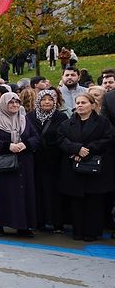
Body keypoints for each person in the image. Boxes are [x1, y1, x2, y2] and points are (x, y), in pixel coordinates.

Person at [57, 93, 113, 242]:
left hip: (95, 169)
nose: (80, 105)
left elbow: (108, 139)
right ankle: (78, 231)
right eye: (78, 102)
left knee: (94, 202)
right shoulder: (67, 123)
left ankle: (92, 232)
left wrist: (87, 151)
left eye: (84, 102)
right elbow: (61, 140)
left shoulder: (103, 122)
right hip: (74, 169)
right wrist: (76, 149)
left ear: (93, 105)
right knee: (76, 202)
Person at [0, 93, 39, 237]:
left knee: (23, 194)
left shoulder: (24, 119)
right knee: (2, 194)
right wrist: (8, 146)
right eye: (11, 103)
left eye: (17, 102)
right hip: (3, 164)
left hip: (23, 163)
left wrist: (24, 144)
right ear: (3, 104)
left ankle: (23, 226)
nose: (14, 105)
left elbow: (36, 137)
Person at [26, 90, 67, 233]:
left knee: (55, 192)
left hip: (55, 161)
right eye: (44, 99)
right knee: (37, 191)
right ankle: (39, 220)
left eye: (50, 99)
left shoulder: (61, 117)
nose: (47, 102)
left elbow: (64, 137)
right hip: (35, 161)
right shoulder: (29, 117)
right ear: (38, 101)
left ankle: (57, 223)